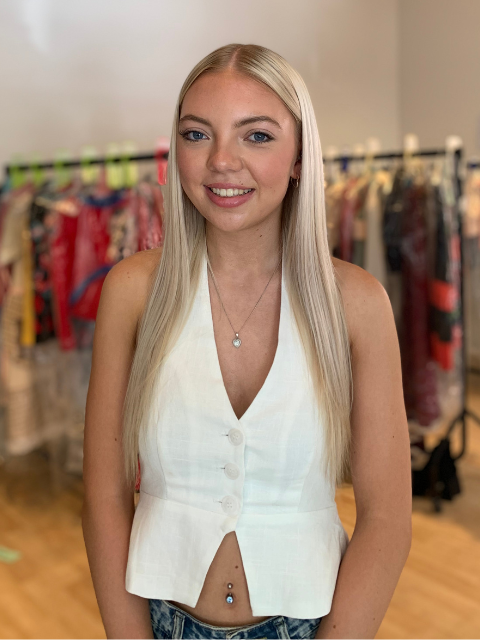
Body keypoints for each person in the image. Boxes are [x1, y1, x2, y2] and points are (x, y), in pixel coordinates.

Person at [82, 44, 412, 639]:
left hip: (309, 626)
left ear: (298, 157)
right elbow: (105, 494)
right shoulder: (132, 293)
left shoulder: (356, 304)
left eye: (256, 136)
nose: (221, 162)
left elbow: (387, 517)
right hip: (159, 622)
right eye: (196, 134)